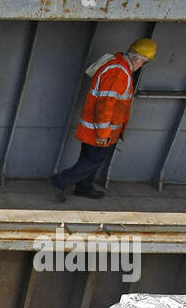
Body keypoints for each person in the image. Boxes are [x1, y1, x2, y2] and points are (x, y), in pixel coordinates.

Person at [50, 38, 157, 201]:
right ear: (136, 59)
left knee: (89, 158)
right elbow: (105, 105)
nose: (142, 66)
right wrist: (103, 133)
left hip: (98, 127)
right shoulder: (119, 72)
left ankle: (84, 187)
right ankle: (61, 181)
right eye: (145, 62)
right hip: (99, 128)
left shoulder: (117, 64)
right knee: (95, 159)